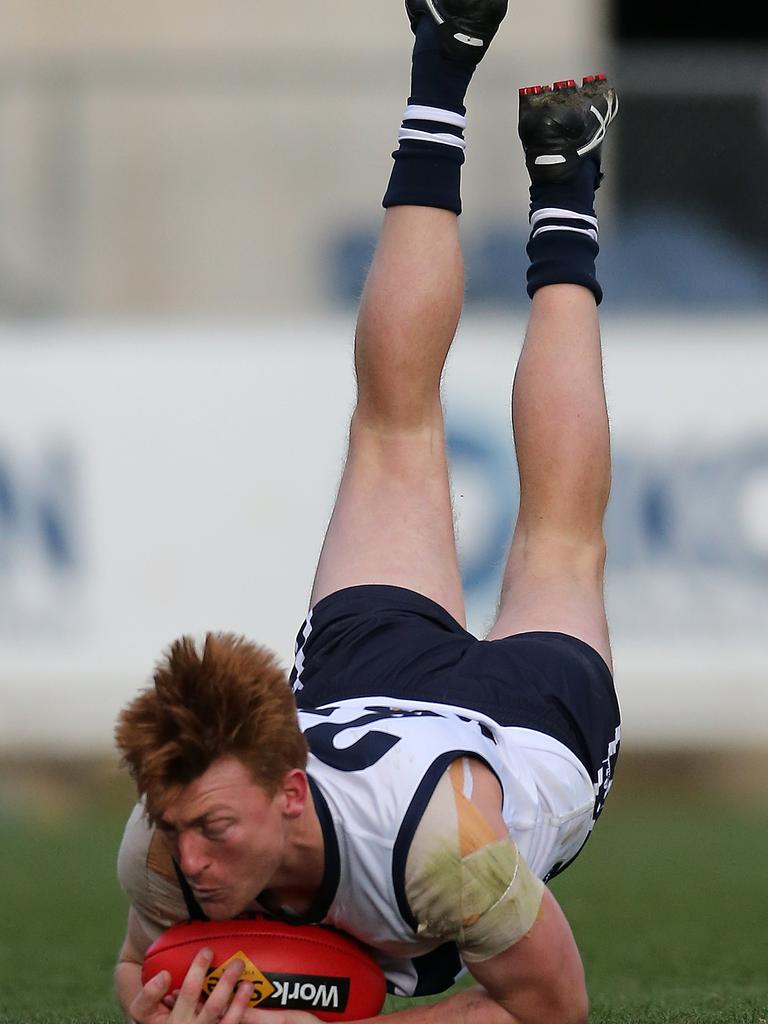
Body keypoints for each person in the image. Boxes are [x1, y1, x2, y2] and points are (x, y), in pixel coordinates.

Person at [114, 1, 621, 1022]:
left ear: (288, 790)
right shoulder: (161, 841)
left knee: (533, 525)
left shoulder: (445, 856)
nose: (193, 861)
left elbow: (550, 1009)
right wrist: (155, 1007)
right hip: (397, 698)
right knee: (410, 439)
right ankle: (549, 156)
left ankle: (514, 144)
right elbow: (140, 966)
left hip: (500, 746)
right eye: (177, 828)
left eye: (214, 826)